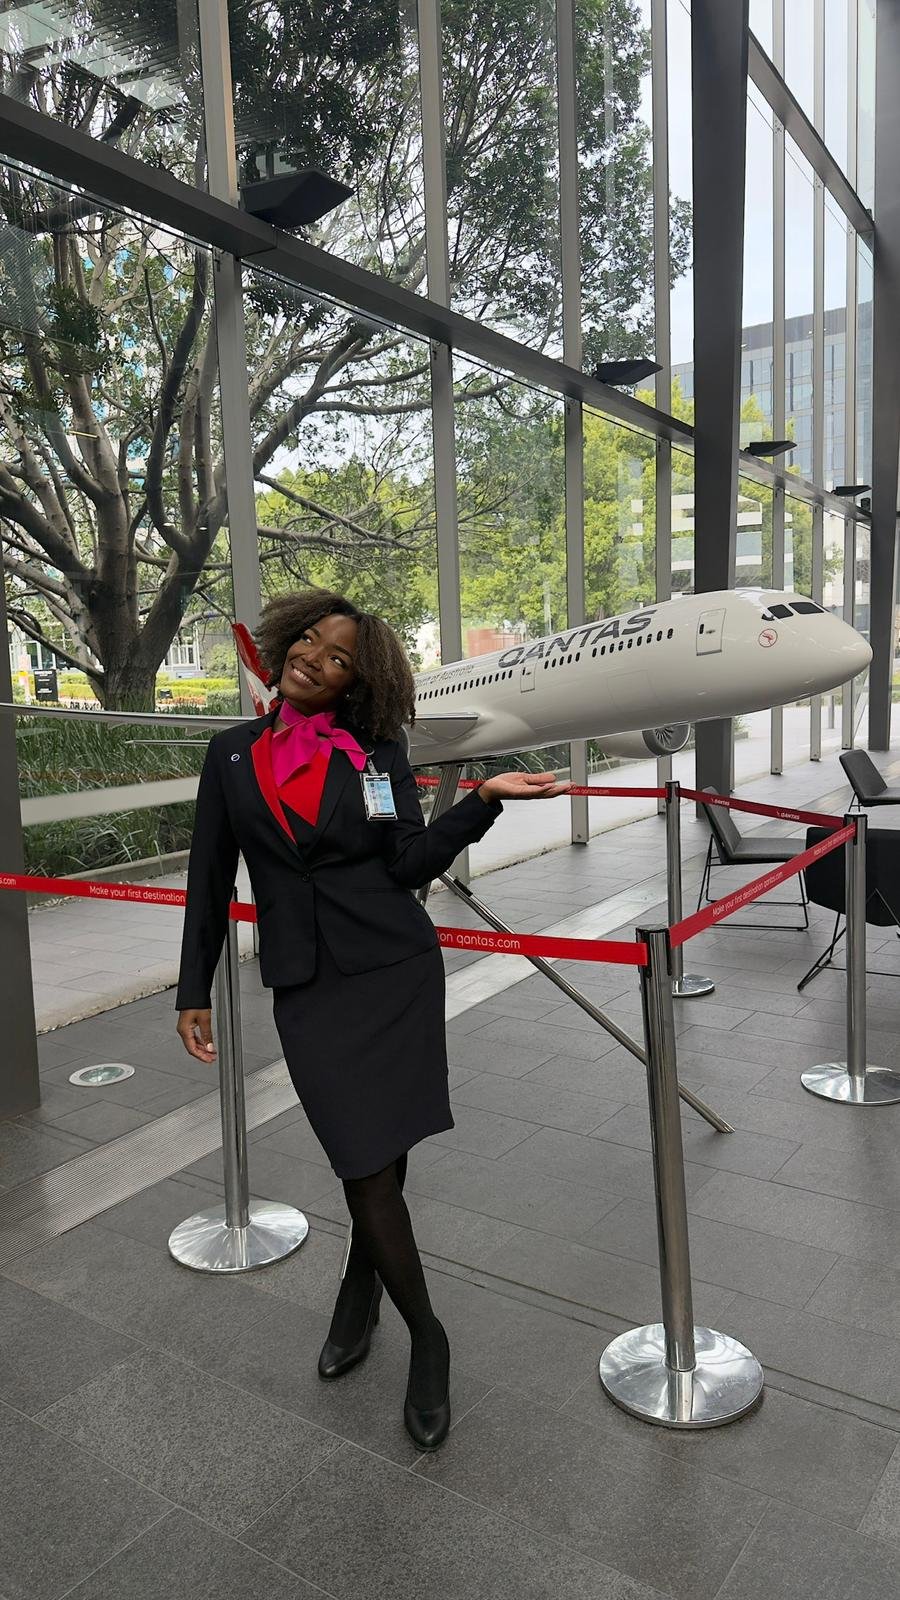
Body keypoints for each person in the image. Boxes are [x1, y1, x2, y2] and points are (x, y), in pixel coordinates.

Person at [175, 589, 571, 1449]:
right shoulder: (231, 753)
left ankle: (418, 1332)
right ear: (285, 641)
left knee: (376, 1159)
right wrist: (191, 988)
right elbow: (209, 876)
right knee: (360, 1154)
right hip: (307, 984)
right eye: (309, 640)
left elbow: (406, 865)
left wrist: (483, 798)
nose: (314, 658)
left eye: (339, 657)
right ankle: (390, 1302)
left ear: (357, 681)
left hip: (393, 970)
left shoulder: (374, 753)